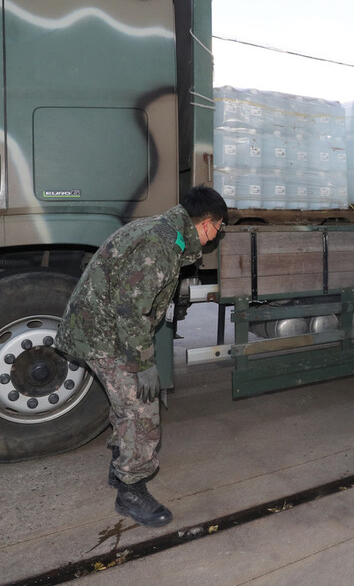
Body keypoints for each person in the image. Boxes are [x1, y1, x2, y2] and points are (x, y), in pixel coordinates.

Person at [56, 186, 228, 528]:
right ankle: (132, 489)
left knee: (126, 404)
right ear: (207, 223)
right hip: (106, 336)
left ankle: (121, 466)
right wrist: (145, 364)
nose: (218, 234)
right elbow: (131, 310)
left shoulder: (166, 233)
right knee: (142, 411)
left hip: (102, 329)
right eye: (219, 227)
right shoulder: (160, 243)